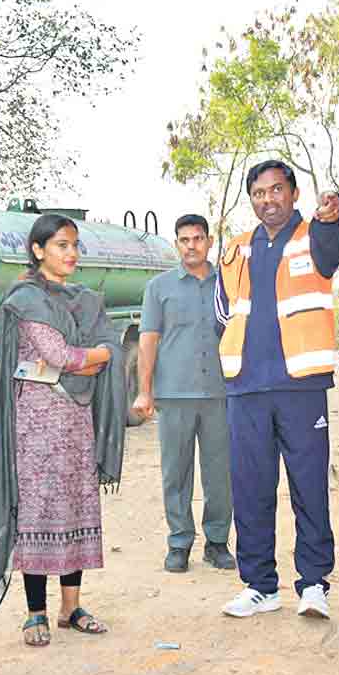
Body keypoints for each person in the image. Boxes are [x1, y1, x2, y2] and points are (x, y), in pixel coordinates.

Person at [0, 214, 126, 648]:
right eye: (61, 245)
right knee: (39, 514)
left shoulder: (86, 298)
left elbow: (107, 348)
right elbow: (58, 354)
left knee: (76, 510)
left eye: (74, 245)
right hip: (37, 427)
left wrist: (94, 353)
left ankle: (71, 607)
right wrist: (96, 354)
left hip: (76, 419)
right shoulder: (27, 298)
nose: (71, 254)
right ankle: (35, 612)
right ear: (38, 250)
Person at [214, 160, 339, 619]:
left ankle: (313, 584)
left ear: (293, 192)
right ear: (251, 198)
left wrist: (333, 217)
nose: (267, 200)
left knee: (309, 486)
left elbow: (330, 248)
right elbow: (222, 313)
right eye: (259, 193)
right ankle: (260, 586)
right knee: (250, 489)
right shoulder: (235, 250)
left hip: (301, 387)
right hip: (246, 388)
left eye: (276, 190)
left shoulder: (317, 235)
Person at [133, 214, 235, 574]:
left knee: (220, 473)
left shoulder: (228, 284)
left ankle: (218, 542)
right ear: (176, 244)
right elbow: (148, 340)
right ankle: (179, 543)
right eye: (184, 239)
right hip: (174, 394)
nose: (191, 245)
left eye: (198, 238)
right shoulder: (159, 288)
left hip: (221, 394)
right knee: (176, 473)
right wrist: (144, 392)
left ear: (209, 241)